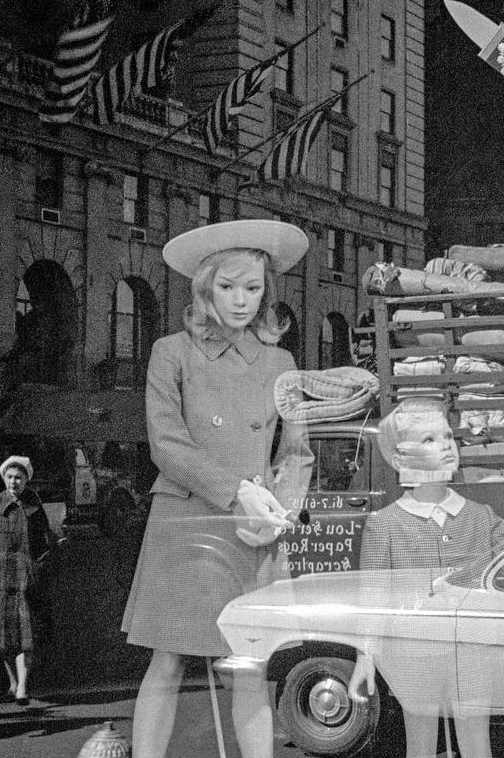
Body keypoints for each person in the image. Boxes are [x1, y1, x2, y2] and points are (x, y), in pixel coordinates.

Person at [122, 219, 313, 758]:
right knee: (167, 656)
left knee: (249, 665)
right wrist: (238, 492)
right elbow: (168, 447)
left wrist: (277, 511)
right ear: (204, 288)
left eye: (253, 289)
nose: (240, 301)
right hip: (185, 520)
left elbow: (297, 455)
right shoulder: (171, 352)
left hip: (253, 531)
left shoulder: (281, 363)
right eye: (227, 287)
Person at [346, 397, 504, 758]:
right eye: (428, 440)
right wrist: (366, 654)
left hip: (471, 649)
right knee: (419, 742)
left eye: (448, 436)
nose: (446, 446)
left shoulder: (479, 516)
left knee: (476, 741)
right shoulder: (385, 524)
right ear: (400, 458)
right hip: (414, 650)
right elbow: (374, 595)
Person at [0, 455, 60, 706]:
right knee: (2, 638)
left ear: (27, 480)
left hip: (24, 580)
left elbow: (45, 540)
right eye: (10, 477)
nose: (14, 482)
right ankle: (13, 682)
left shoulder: (34, 507)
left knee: (24, 636)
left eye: (19, 477)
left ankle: (23, 688)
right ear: (3, 478)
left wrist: (46, 557)